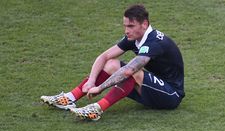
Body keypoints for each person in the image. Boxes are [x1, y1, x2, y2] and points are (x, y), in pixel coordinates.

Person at [41, 4, 184, 121]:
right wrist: (91, 81)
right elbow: (104, 56)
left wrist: (100, 88)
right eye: (125, 26)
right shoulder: (134, 38)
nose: (126, 31)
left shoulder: (154, 42)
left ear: (144, 24)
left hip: (171, 95)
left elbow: (129, 70)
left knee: (133, 72)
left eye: (131, 26)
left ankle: (97, 109)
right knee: (111, 64)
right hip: (156, 88)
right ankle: (70, 98)